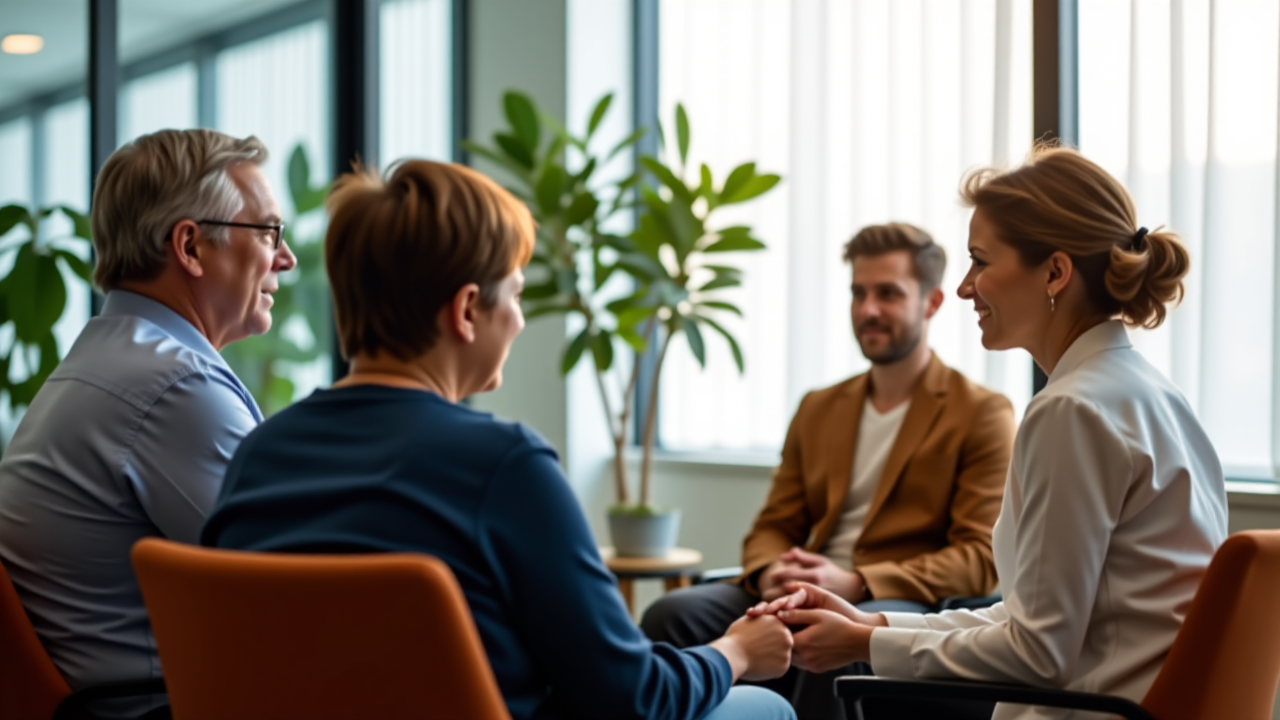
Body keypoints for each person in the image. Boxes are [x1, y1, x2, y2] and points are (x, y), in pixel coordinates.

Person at [200, 159, 797, 720]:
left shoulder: (260, 455)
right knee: (766, 708)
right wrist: (736, 652)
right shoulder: (504, 465)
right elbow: (630, 697)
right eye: (514, 295)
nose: (518, 318)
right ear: (466, 310)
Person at [753, 145, 1229, 720]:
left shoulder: (1072, 412)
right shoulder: (1152, 395)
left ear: (1055, 272)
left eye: (980, 261)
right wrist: (871, 623)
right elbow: (1028, 620)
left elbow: (1037, 655)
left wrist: (860, 646)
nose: (964, 288)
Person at [641, 223, 1015, 718]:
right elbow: (775, 523)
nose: (868, 310)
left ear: (932, 302)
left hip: (895, 599)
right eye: (858, 293)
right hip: (804, 586)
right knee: (672, 614)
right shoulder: (820, 407)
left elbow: (977, 556)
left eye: (888, 294)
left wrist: (858, 581)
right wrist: (773, 571)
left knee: (845, 640)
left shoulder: (982, 412)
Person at [0, 129, 295, 717]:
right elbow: (291, 588)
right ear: (190, 246)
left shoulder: (102, 364)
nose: (285, 257)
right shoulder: (174, 388)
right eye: (267, 231)